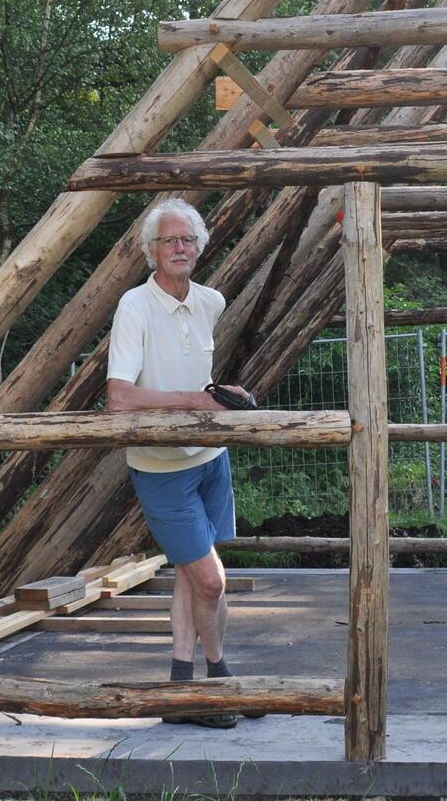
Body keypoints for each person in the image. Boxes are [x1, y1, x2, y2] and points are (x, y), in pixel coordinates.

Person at [105, 198, 256, 729]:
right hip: (161, 467)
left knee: (192, 577)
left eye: (187, 240)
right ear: (150, 252)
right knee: (211, 581)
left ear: (199, 247)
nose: (179, 248)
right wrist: (196, 402)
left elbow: (196, 379)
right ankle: (218, 681)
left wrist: (220, 393)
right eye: (168, 240)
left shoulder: (211, 301)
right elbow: (120, 398)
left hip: (210, 456)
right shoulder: (134, 307)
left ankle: (180, 684)